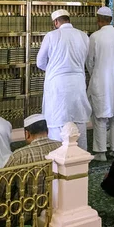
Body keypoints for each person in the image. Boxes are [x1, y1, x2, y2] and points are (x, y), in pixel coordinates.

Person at [0, 114, 61, 226]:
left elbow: (3, 190)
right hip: (58, 206)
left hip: (25, 212)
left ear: (27, 134)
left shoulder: (19, 155)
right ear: (47, 130)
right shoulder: (62, 147)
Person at [36, 9, 91, 150]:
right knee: (79, 123)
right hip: (78, 84)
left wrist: (54, 69)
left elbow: (40, 62)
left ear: (56, 22)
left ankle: (59, 162)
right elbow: (85, 59)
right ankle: (81, 161)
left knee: (57, 123)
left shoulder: (52, 35)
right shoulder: (83, 36)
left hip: (58, 86)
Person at [87, 6, 114, 161]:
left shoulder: (95, 37)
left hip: (101, 81)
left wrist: (96, 74)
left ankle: (100, 152)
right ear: (110, 19)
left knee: (100, 118)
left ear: (98, 20)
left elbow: (90, 61)